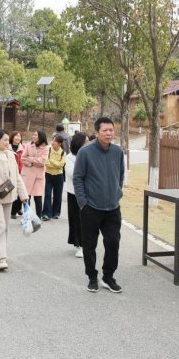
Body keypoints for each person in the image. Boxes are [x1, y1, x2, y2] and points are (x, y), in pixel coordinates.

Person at [73, 117, 125, 294]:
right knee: (89, 245)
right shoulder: (85, 152)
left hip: (113, 208)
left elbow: (120, 175)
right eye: (105, 130)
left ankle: (108, 277)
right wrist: (83, 203)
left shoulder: (118, 152)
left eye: (111, 130)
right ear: (96, 133)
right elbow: (78, 178)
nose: (109, 133)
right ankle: (92, 277)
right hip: (90, 209)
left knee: (113, 242)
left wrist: (118, 192)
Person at [0, 129, 29, 271]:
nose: (7, 142)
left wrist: (23, 195)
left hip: (9, 196)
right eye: (4, 140)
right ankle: (1, 258)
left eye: (8, 139)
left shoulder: (11, 155)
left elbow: (17, 176)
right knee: (0, 226)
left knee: (6, 227)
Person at [65, 132, 89, 258]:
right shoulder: (70, 157)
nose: (88, 144)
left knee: (88, 219)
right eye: (86, 142)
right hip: (74, 193)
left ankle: (87, 244)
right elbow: (73, 173)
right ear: (79, 143)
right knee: (76, 220)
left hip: (89, 192)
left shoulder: (91, 155)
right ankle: (79, 245)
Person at [21, 130, 49, 219]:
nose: (33, 136)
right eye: (33, 134)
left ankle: (38, 218)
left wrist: (30, 159)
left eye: (35, 135)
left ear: (41, 137)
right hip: (28, 174)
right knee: (26, 197)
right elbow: (23, 158)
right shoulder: (28, 145)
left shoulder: (46, 147)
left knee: (38, 197)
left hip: (38, 175)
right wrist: (32, 163)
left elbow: (43, 161)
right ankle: (26, 218)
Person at [42, 135, 66, 221]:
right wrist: (56, 164)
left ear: (59, 143)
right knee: (48, 194)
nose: (52, 142)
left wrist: (51, 161)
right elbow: (46, 162)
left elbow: (61, 165)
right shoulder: (48, 150)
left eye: (55, 141)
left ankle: (56, 213)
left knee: (58, 195)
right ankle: (46, 213)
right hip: (48, 174)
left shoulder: (63, 152)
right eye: (52, 140)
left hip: (59, 176)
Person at [9, 131, 25, 219]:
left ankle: (16, 210)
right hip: (10, 173)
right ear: (12, 137)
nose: (18, 138)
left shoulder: (23, 148)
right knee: (12, 191)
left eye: (19, 136)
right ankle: (13, 210)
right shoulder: (7, 148)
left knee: (20, 192)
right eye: (16, 136)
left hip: (21, 173)